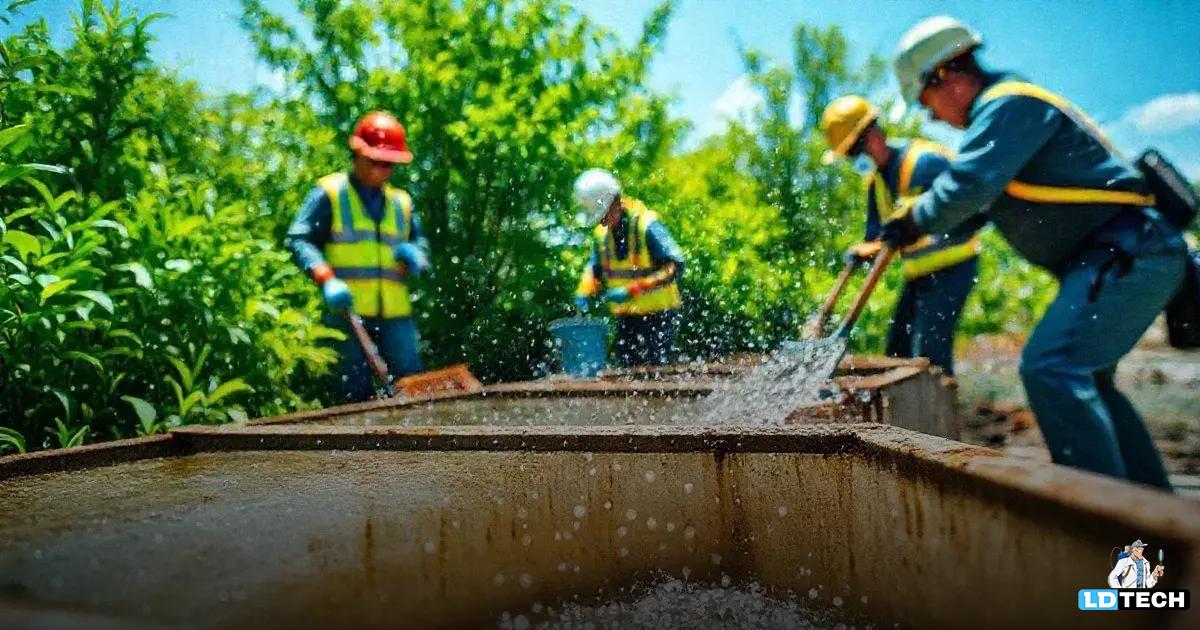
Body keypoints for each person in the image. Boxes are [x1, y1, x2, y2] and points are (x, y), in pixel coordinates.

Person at [883, 16, 1186, 488]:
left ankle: (1100, 519)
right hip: (1118, 255)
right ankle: (1152, 513)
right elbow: (975, 206)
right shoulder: (1003, 115)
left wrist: (914, 219)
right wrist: (906, 230)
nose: (932, 119)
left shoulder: (1009, 105)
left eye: (926, 104)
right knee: (1088, 380)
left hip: (1132, 251)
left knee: (1051, 367)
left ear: (945, 76)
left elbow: (968, 185)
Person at [819, 95, 982, 375]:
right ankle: (903, 412)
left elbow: (971, 212)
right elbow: (877, 238)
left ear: (872, 138)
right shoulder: (877, 183)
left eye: (854, 154)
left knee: (931, 352)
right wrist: (862, 253)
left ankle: (939, 413)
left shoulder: (925, 162)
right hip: (919, 274)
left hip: (953, 267)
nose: (855, 161)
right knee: (896, 350)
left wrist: (912, 226)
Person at [285, 111, 431, 403]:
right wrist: (324, 277)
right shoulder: (329, 193)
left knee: (411, 389)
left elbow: (421, 243)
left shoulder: (401, 202)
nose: (381, 170)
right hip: (347, 314)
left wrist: (417, 256)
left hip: (395, 316)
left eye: (388, 164)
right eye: (375, 161)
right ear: (357, 154)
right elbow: (299, 239)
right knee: (353, 395)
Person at [572, 169, 684, 367]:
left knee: (657, 375)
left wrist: (632, 289)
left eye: (602, 214)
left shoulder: (647, 226)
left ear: (615, 202)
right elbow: (594, 269)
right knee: (627, 376)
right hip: (626, 318)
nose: (600, 221)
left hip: (660, 316)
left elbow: (674, 267)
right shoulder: (602, 236)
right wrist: (584, 291)